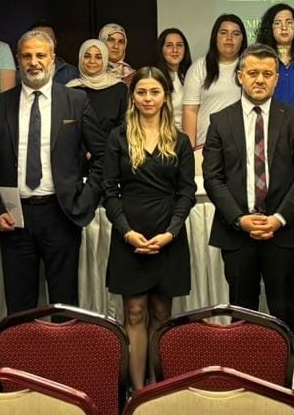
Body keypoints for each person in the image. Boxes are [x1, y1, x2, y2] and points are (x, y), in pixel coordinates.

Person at [0, 28, 106, 312]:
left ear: (52, 59)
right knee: (19, 307)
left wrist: (84, 201)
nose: (33, 62)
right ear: (18, 60)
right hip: (14, 218)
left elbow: (103, 157)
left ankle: (63, 345)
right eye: (27, 56)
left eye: (40, 55)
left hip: (61, 214)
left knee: (64, 305)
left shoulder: (76, 101)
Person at [203, 44, 294, 332]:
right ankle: (244, 364)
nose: (260, 80)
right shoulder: (220, 120)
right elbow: (213, 178)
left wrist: (278, 218)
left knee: (283, 314)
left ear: (276, 79)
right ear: (240, 76)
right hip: (236, 233)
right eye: (253, 73)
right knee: (242, 318)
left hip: (282, 232)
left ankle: (285, 364)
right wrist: (239, 219)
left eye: (267, 74)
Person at [103, 67, 197, 390]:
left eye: (154, 92)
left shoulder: (181, 141)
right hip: (129, 233)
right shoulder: (117, 137)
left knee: (161, 312)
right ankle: (138, 392)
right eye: (141, 92)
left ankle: (157, 390)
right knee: (134, 311)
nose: (148, 98)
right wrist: (126, 232)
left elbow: (187, 192)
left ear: (165, 97)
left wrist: (171, 232)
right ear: (133, 97)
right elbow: (109, 190)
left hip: (168, 235)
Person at [181, 14, 246, 147]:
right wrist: (190, 151)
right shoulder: (199, 67)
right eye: (223, 33)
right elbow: (190, 111)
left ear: (242, 39)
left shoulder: (250, 67)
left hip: (242, 145)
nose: (229, 38)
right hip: (207, 145)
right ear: (214, 37)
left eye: (236, 34)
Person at [70, 38, 129, 133]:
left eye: (98, 57)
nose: (92, 61)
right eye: (87, 56)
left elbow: (124, 126)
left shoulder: (119, 89)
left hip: (111, 142)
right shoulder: (70, 89)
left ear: (105, 60)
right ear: (80, 58)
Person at [31, 20, 79, 86]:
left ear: (55, 42)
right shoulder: (19, 73)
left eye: (48, 39)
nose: (42, 43)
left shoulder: (71, 72)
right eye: (38, 39)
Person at [155, 27, 191, 100]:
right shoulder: (153, 78)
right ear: (161, 49)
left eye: (179, 45)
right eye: (169, 45)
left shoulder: (193, 75)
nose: (175, 50)